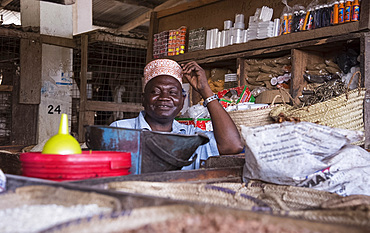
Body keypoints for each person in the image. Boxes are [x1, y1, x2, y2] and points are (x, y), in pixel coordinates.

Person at [110, 59, 244, 169]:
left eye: (173, 93)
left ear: (182, 102)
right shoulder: (120, 130)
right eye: (155, 92)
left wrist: (205, 90)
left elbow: (233, 145)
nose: (164, 97)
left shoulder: (191, 137)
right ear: (143, 99)